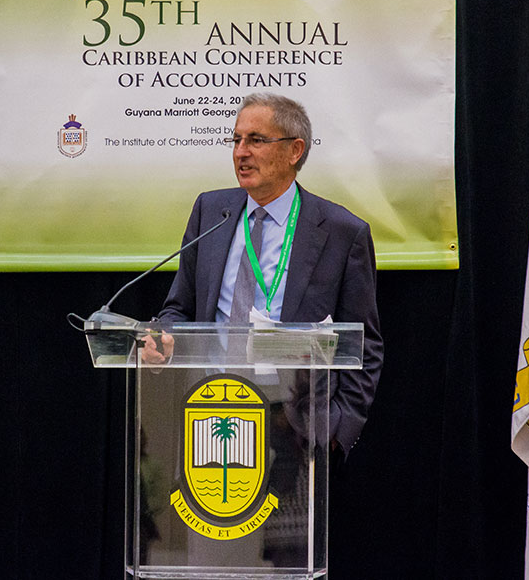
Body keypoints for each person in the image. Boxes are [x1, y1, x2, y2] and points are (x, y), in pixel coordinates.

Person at [142, 92, 383, 455]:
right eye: (236, 140)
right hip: (209, 406)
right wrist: (164, 337)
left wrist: (337, 429)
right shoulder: (211, 211)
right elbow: (179, 308)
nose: (241, 152)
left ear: (294, 150)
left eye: (256, 140)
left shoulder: (342, 232)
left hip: (294, 425)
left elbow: (365, 345)